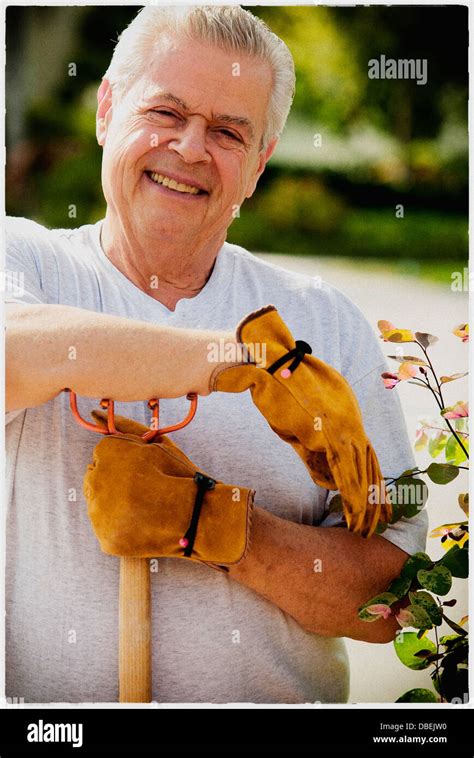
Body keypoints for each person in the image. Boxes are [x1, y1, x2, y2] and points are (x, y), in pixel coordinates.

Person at [5, 5, 427, 704]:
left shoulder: (327, 320)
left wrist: (219, 526)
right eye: (165, 112)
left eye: (229, 131)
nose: (191, 148)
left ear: (258, 165)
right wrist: (244, 363)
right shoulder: (28, 261)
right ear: (108, 110)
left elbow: (394, 597)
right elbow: (14, 356)